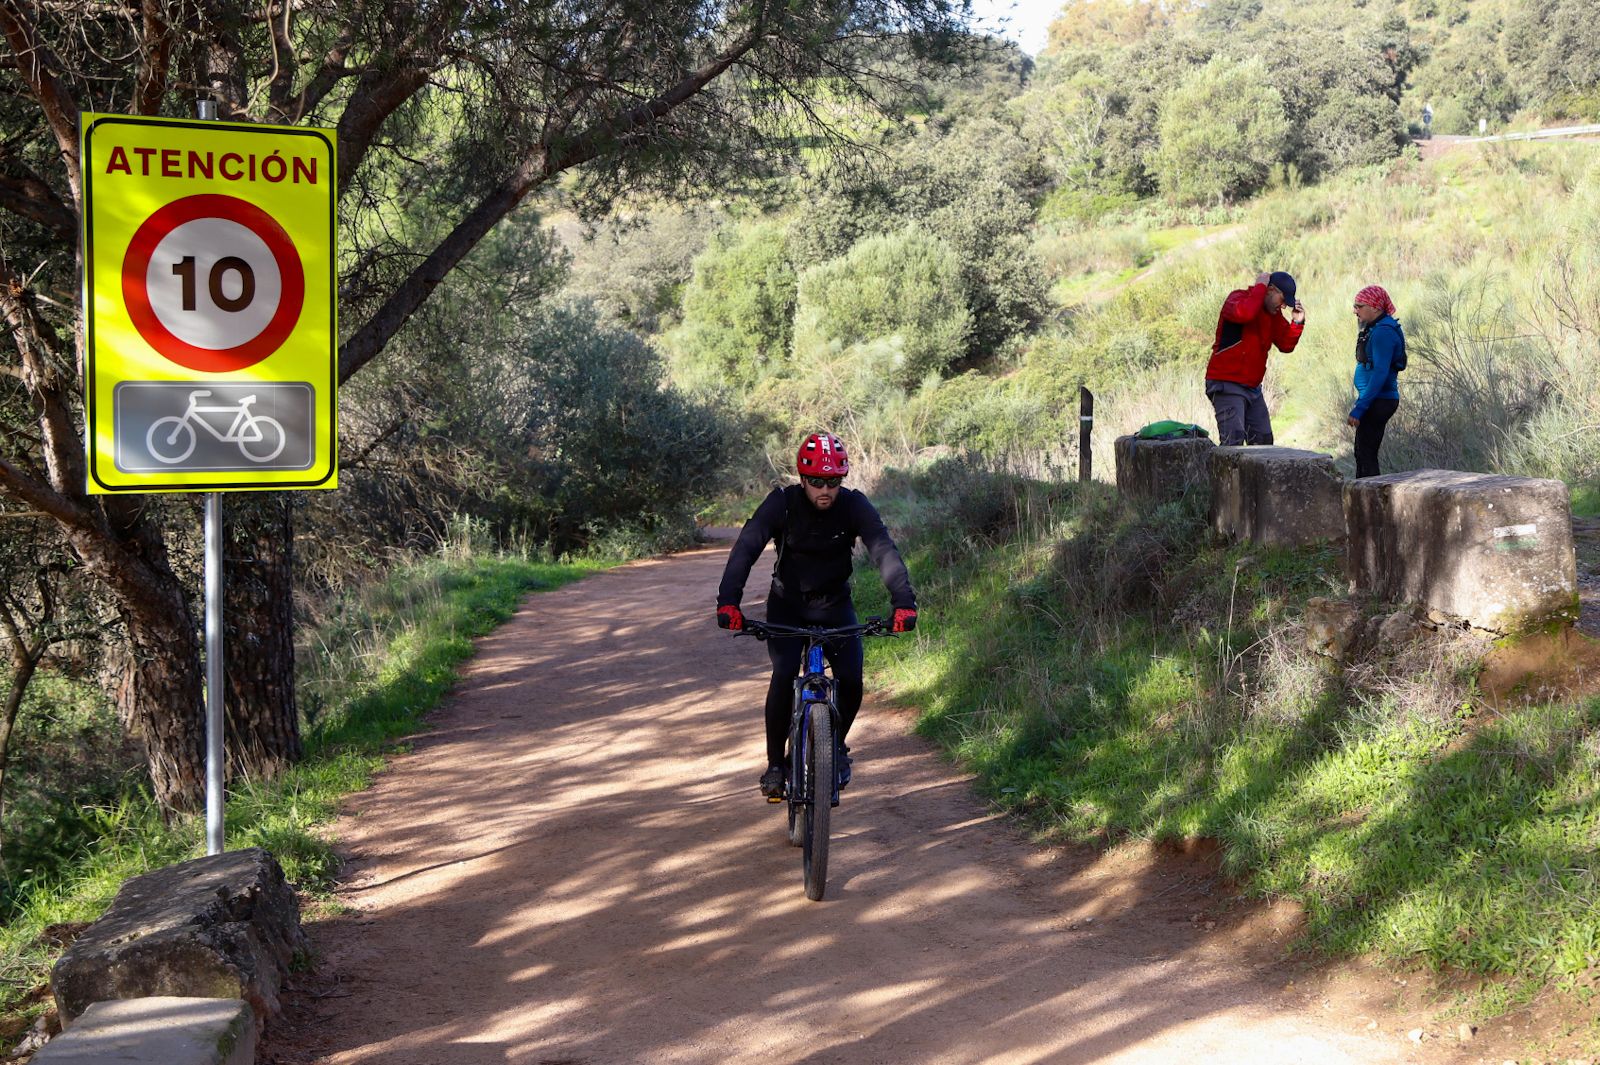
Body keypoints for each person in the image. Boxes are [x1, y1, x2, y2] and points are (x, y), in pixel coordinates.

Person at [716, 433, 918, 799]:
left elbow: (883, 549)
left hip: (835, 605)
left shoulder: (854, 506)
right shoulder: (782, 503)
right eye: (816, 482)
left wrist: (903, 602)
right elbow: (746, 547)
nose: (825, 490)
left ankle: (835, 746)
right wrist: (729, 601)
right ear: (802, 478)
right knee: (783, 674)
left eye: (833, 482)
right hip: (787, 605)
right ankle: (777, 765)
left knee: (851, 679)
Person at [1204, 271, 1306, 446]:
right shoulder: (1237, 299)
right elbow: (1246, 314)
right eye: (1282, 300)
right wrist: (1260, 286)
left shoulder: (1273, 315)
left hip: (1252, 388)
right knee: (1232, 442)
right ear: (1270, 290)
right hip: (1226, 383)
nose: (1283, 307)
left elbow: (1286, 345)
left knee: (1264, 441)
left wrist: (1297, 323)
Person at [1347, 285, 1404, 478]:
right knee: (1363, 453)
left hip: (1379, 400)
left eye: (1359, 306)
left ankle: (1369, 503)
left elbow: (1380, 373)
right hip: (1376, 400)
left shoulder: (1383, 332)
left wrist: (1360, 407)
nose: (1355, 310)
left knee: (1366, 454)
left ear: (1375, 307)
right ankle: (1365, 501)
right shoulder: (1378, 328)